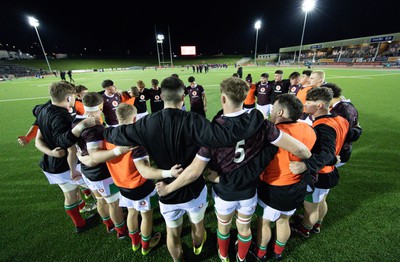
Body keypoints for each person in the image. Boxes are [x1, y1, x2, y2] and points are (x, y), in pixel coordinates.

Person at [103, 76, 268, 262]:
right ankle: (198, 248)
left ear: (162, 96)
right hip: (193, 188)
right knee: (198, 226)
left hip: (166, 190)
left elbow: (115, 134)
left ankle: (178, 260)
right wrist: (256, 117)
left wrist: (100, 130)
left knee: (172, 233)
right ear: (183, 98)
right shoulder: (194, 121)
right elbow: (223, 137)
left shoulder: (145, 123)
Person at [153, 77, 312, 262]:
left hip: (225, 192)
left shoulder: (213, 131)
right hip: (248, 191)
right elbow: (300, 149)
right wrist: (308, 163)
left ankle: (223, 256)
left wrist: (168, 189)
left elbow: (193, 171)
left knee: (224, 227)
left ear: (223, 99)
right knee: (244, 228)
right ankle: (241, 257)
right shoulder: (262, 124)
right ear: (245, 97)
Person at [88, 103, 163, 255]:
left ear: (117, 117)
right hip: (140, 185)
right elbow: (145, 167)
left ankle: (135, 242)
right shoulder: (135, 139)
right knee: (146, 215)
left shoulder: (108, 135)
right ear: (135, 118)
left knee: (131, 212)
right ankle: (145, 245)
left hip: (121, 185)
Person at [252, 94, 317, 261]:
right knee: (283, 221)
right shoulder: (308, 129)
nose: (271, 111)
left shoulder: (273, 134)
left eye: (273, 108)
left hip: (273, 186)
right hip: (297, 187)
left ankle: (260, 253)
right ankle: (278, 252)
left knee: (264, 223)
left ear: (280, 112)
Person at [34, 81, 99, 233]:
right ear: (69, 97)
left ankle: (80, 220)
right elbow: (64, 142)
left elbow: (39, 138)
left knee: (70, 193)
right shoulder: (61, 115)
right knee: (96, 188)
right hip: (65, 165)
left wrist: (50, 152)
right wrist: (82, 125)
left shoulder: (42, 109)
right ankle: (108, 218)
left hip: (51, 162)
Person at [290, 87, 350, 238]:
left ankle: (305, 229)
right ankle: (316, 224)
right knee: (321, 201)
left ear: (320, 105)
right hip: (329, 172)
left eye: (308, 102)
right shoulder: (340, 119)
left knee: (311, 207)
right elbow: (351, 135)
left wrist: (306, 165)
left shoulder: (323, 126)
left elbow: (327, 153)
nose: (305, 105)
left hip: (320, 173)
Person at [72, 92, 128, 238]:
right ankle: (121, 232)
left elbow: (73, 147)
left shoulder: (75, 121)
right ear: (102, 105)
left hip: (87, 172)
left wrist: (79, 159)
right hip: (100, 173)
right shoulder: (94, 128)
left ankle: (108, 225)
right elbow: (95, 157)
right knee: (113, 203)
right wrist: (119, 150)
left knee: (100, 199)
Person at [322, 83, 363, 166]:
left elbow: (342, 134)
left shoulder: (339, 111)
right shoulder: (348, 105)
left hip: (337, 153)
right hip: (344, 151)